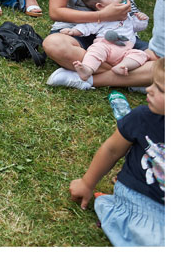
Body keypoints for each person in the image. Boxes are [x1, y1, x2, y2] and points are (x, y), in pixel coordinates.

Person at [68, 58, 164, 247]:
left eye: (160, 89)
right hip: (139, 199)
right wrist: (87, 183)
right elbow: (111, 150)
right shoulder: (143, 118)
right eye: (153, 83)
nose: (149, 89)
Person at [59, 0, 150, 81]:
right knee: (95, 51)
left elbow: (138, 27)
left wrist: (141, 19)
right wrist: (73, 31)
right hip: (105, 45)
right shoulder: (101, 19)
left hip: (125, 50)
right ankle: (88, 69)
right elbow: (87, 27)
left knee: (140, 54)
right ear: (100, 6)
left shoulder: (127, 16)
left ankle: (122, 66)